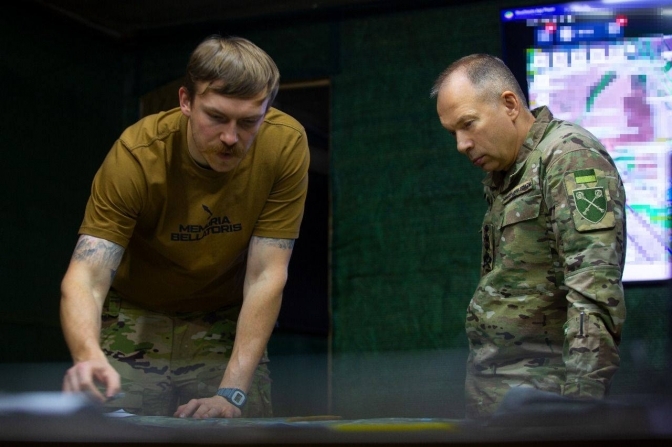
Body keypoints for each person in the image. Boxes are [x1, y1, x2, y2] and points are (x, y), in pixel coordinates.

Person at [59, 34, 310, 419]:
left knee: (236, 425)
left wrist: (231, 394)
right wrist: (86, 355)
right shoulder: (136, 155)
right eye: (216, 117)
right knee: (110, 426)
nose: (230, 137)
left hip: (223, 314)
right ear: (186, 102)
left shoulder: (284, 145)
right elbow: (87, 275)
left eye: (248, 122)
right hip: (136, 311)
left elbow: (266, 275)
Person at [431, 54, 627, 420]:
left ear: (509, 104)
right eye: (453, 133)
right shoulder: (510, 174)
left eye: (468, 124)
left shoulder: (570, 159)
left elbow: (595, 293)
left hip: (546, 410)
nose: (461, 144)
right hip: (506, 408)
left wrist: (580, 412)